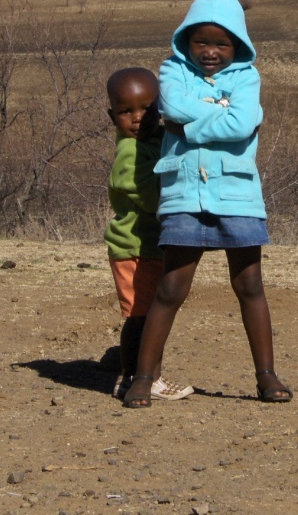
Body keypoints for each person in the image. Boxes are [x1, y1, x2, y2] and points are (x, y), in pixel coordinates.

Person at [123, 0, 292, 409]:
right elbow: (177, 109)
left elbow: (233, 125)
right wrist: (223, 113)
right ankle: (143, 376)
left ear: (238, 45)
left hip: (237, 194)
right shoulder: (171, 70)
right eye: (201, 41)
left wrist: (191, 128)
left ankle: (266, 376)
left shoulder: (247, 75)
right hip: (183, 193)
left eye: (221, 43)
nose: (210, 51)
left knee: (250, 283)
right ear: (186, 40)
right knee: (171, 286)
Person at [105, 67, 194, 402]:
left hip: (147, 246)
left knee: (146, 314)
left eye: (147, 109)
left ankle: (142, 374)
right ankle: (138, 377)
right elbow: (147, 195)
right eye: (127, 111)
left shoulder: (149, 141)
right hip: (134, 247)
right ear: (112, 115)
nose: (138, 117)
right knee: (140, 317)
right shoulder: (131, 152)